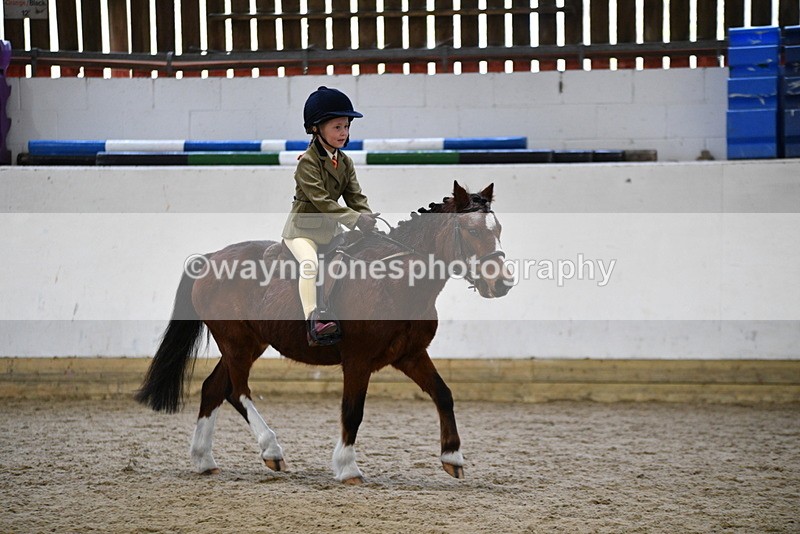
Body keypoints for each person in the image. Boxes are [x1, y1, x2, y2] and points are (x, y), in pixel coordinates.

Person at [282, 86, 379, 346]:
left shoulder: (345, 162)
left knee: (355, 260)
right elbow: (323, 202)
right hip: (302, 231)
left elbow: (355, 197)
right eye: (337, 127)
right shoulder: (307, 163)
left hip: (332, 231)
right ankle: (313, 321)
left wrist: (368, 220)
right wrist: (355, 220)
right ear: (316, 128)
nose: (344, 133)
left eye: (346, 127)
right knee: (310, 264)